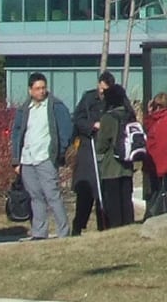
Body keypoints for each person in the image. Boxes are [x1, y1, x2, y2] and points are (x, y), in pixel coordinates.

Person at [10, 73, 74, 240]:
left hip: (46, 157)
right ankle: (39, 231)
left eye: (43, 88)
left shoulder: (55, 106)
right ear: (30, 90)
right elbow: (17, 134)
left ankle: (63, 231)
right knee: (35, 196)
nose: (41, 91)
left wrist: (58, 153)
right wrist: (16, 160)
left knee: (52, 195)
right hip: (27, 158)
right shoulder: (24, 110)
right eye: (37, 88)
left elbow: (66, 130)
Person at [69, 72, 115, 235]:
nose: (103, 93)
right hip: (88, 148)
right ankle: (78, 225)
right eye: (102, 89)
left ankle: (104, 224)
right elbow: (77, 120)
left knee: (104, 189)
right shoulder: (88, 99)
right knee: (86, 191)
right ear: (98, 84)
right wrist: (92, 126)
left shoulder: (115, 99)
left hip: (106, 149)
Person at [94, 84, 137, 228]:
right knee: (126, 199)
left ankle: (115, 226)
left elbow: (101, 146)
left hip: (111, 166)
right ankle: (128, 224)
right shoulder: (130, 114)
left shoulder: (108, 117)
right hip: (127, 164)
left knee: (113, 201)